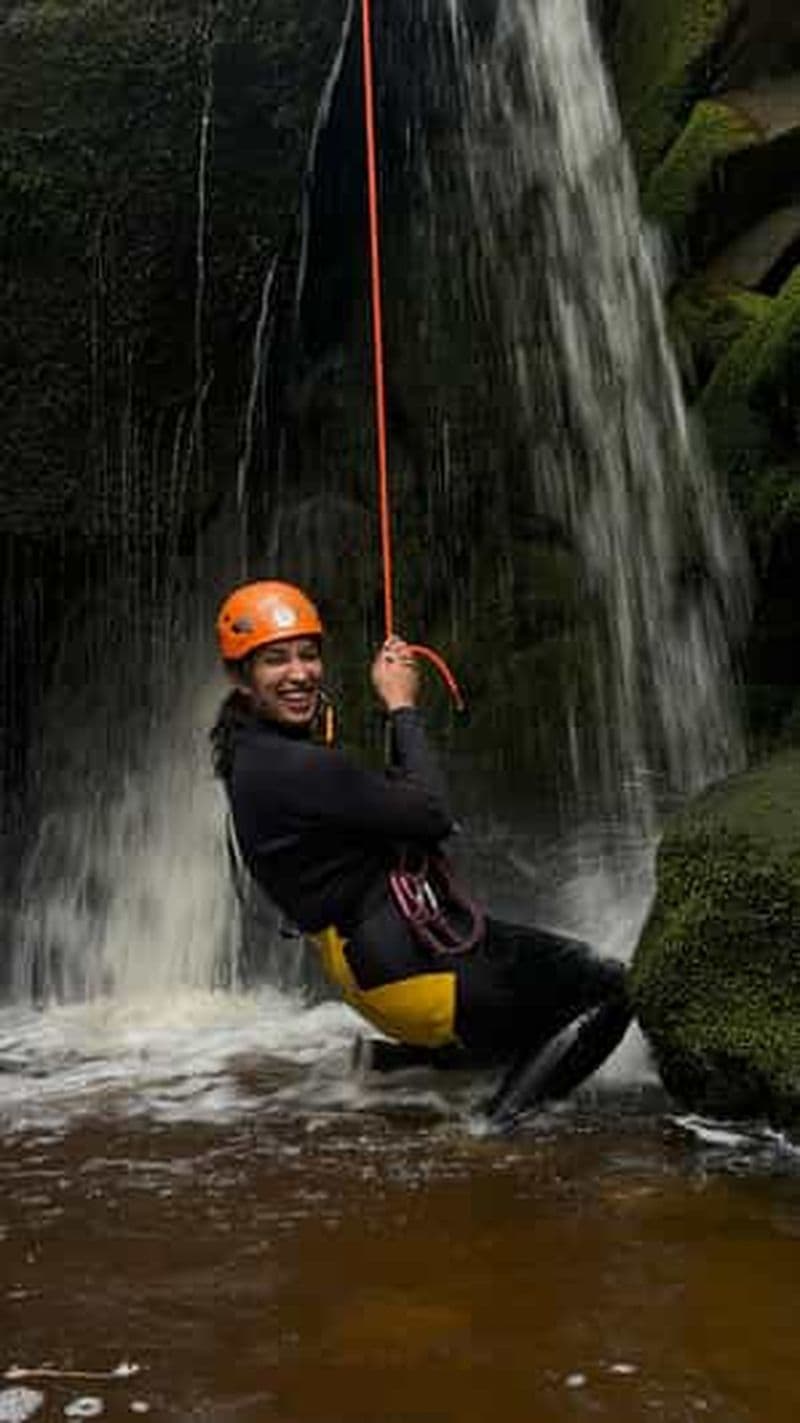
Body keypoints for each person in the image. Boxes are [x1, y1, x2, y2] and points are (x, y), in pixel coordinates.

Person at [211, 579, 632, 1124]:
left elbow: (369, 811)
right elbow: (433, 816)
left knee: (529, 1005)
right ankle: (493, 1131)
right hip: (412, 973)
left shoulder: (249, 754)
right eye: (275, 660)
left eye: (308, 655)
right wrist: (402, 706)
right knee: (611, 988)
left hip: (373, 972)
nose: (299, 673)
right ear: (241, 677)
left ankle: (392, 1062)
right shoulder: (300, 768)